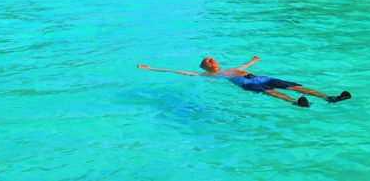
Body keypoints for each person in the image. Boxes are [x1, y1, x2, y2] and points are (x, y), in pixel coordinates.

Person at [137, 56, 351, 107]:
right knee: (270, 93)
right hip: (246, 83)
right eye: (207, 60)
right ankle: (296, 103)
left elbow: (246, 67)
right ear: (205, 68)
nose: (211, 60)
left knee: (296, 86)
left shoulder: (231, 68)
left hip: (261, 76)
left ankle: (329, 98)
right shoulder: (208, 75)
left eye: (212, 57)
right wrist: (152, 68)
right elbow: (181, 72)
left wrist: (253, 60)